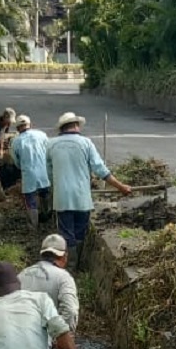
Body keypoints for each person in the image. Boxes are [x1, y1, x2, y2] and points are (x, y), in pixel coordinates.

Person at [46, 112, 132, 269]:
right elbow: (100, 170)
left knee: (66, 233)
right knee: (79, 232)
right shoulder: (86, 143)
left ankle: (70, 267)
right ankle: (76, 264)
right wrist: (121, 186)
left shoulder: (51, 144)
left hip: (62, 198)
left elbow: (49, 173)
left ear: (62, 128)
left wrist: (56, 185)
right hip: (82, 198)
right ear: (76, 126)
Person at [19, 233, 79, 333]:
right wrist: (63, 337)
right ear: (64, 256)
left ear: (41, 254)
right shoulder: (64, 278)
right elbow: (71, 311)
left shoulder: (22, 274)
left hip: (21, 336)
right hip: (46, 340)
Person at [10, 114, 51, 227]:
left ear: (18, 128)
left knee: (30, 199)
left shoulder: (16, 141)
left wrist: (22, 167)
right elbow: (49, 152)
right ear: (31, 125)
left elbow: (16, 160)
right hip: (43, 172)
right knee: (45, 194)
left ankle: (34, 225)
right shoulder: (42, 135)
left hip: (28, 174)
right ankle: (46, 215)